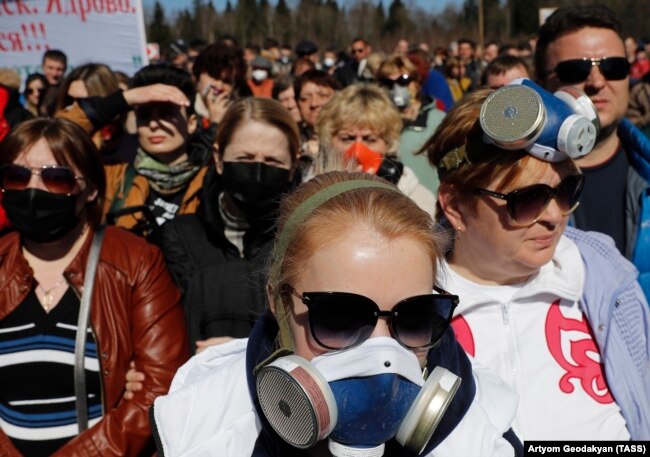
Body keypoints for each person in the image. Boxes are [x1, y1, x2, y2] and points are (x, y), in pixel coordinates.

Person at [150, 170, 522, 457]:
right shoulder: (201, 428)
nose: (384, 355)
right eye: (341, 317)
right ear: (277, 303)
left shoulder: (483, 423)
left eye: (414, 317)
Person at [422, 87, 650, 440]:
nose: (556, 216)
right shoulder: (410, 308)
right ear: (455, 205)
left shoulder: (607, 278)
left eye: (567, 191)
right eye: (528, 199)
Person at [0, 117, 189, 455]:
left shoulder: (136, 261)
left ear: (90, 189)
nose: (33, 190)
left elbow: (159, 385)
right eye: (16, 176)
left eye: (56, 178)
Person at [159, 97, 301, 353]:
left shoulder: (305, 239)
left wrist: (248, 350)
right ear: (219, 158)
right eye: (245, 159)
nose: (257, 170)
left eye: (272, 161)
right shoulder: (180, 235)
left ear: (293, 165)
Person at [534, 5, 650, 298]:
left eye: (613, 67)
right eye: (576, 70)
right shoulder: (507, 193)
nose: (597, 82)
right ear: (542, 85)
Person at [102, 63, 211, 239]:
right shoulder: (115, 177)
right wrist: (124, 99)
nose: (153, 124)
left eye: (167, 114)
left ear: (191, 123)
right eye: (144, 115)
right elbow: (59, 137)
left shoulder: (211, 180)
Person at [316, 83, 436, 215]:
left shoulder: (417, 199)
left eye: (370, 139)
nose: (357, 152)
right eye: (347, 138)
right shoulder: (310, 194)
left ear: (388, 143)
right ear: (329, 140)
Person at [376, 55, 446, 196]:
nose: (396, 88)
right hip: (391, 208)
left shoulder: (438, 120)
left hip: (429, 204)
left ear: (417, 83)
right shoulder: (377, 122)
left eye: (403, 80)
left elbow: (454, 164)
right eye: (388, 83)